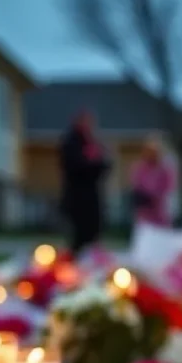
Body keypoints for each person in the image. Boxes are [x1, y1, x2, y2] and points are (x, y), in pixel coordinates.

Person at [59, 109, 110, 255]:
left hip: (92, 198)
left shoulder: (93, 142)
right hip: (77, 198)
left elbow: (104, 164)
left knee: (93, 234)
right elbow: (72, 166)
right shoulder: (71, 142)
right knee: (78, 238)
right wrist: (91, 164)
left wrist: (97, 163)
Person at [129, 135, 177, 226]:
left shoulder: (164, 170)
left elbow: (168, 188)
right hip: (144, 212)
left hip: (160, 213)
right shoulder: (140, 168)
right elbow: (137, 187)